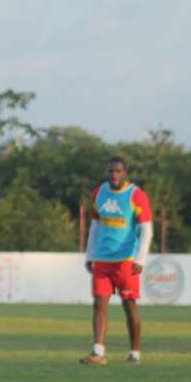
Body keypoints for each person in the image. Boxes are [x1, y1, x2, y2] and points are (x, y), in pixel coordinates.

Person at [80, 156, 154, 365]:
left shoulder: (136, 195)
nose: (114, 175)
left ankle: (135, 352)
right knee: (99, 304)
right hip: (102, 260)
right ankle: (98, 352)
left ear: (125, 173)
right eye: (111, 171)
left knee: (129, 305)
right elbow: (95, 225)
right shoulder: (99, 192)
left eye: (118, 171)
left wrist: (140, 259)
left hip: (126, 261)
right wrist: (90, 254)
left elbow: (146, 228)